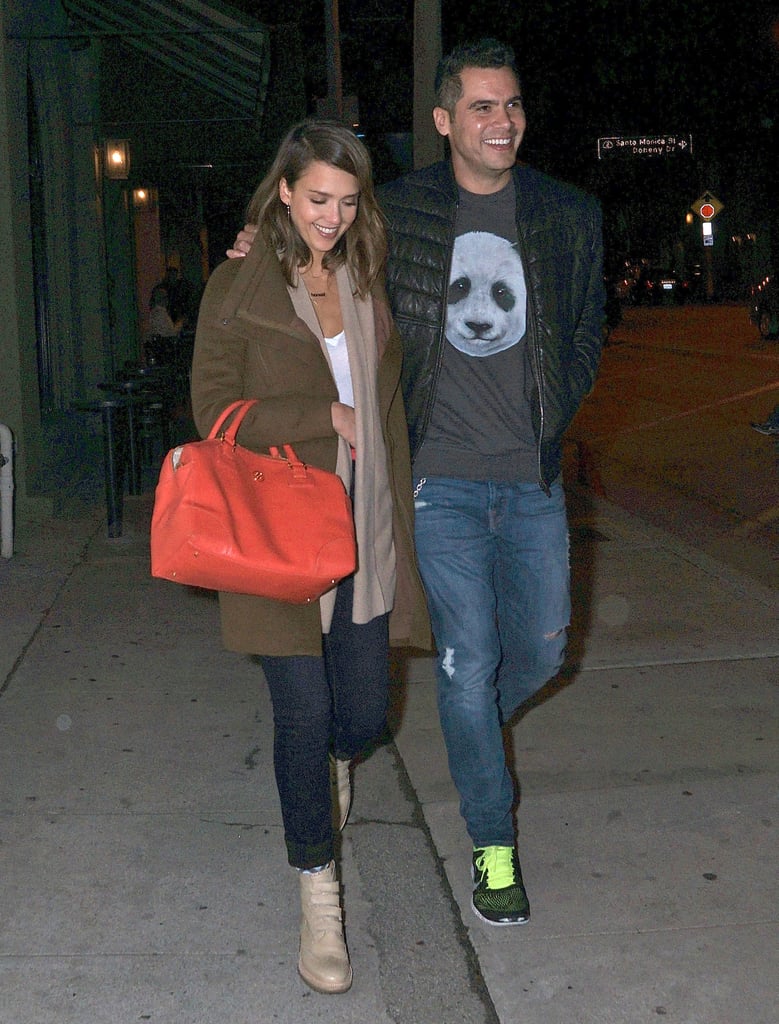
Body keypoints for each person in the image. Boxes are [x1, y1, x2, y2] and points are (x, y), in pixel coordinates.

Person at [229, 39, 605, 929]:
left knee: (543, 651)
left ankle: (465, 716)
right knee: (469, 660)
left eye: (510, 104)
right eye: (480, 106)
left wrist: (562, 399)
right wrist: (256, 245)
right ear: (443, 121)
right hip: (435, 481)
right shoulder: (394, 214)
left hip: (533, 479)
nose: (500, 121)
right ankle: (493, 844)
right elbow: (309, 250)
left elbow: (588, 325)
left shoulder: (565, 214)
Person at [191, 120, 430, 994]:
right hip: (281, 541)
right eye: (316, 197)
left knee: (360, 720)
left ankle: (330, 781)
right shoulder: (238, 282)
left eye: (347, 200)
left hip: (363, 533)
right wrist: (318, 418)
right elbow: (211, 406)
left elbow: (392, 406)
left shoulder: (367, 278)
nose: (331, 216)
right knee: (301, 717)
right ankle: (316, 894)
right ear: (283, 192)